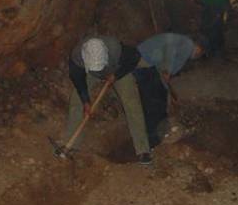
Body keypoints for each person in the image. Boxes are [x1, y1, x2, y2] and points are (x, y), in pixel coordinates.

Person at [65, 35, 152, 164]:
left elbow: (134, 59)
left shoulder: (116, 49)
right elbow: (77, 78)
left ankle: (143, 150)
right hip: (91, 74)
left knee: (132, 103)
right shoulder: (77, 56)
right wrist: (85, 101)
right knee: (76, 101)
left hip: (117, 69)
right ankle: (71, 145)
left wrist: (116, 75)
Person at [135, 33, 205, 148]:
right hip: (145, 65)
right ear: (198, 47)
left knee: (152, 101)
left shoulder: (183, 42)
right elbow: (170, 47)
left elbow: (163, 73)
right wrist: (166, 69)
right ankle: (154, 140)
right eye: (200, 53)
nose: (197, 55)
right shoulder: (188, 45)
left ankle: (151, 137)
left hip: (142, 65)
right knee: (155, 104)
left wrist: (167, 89)